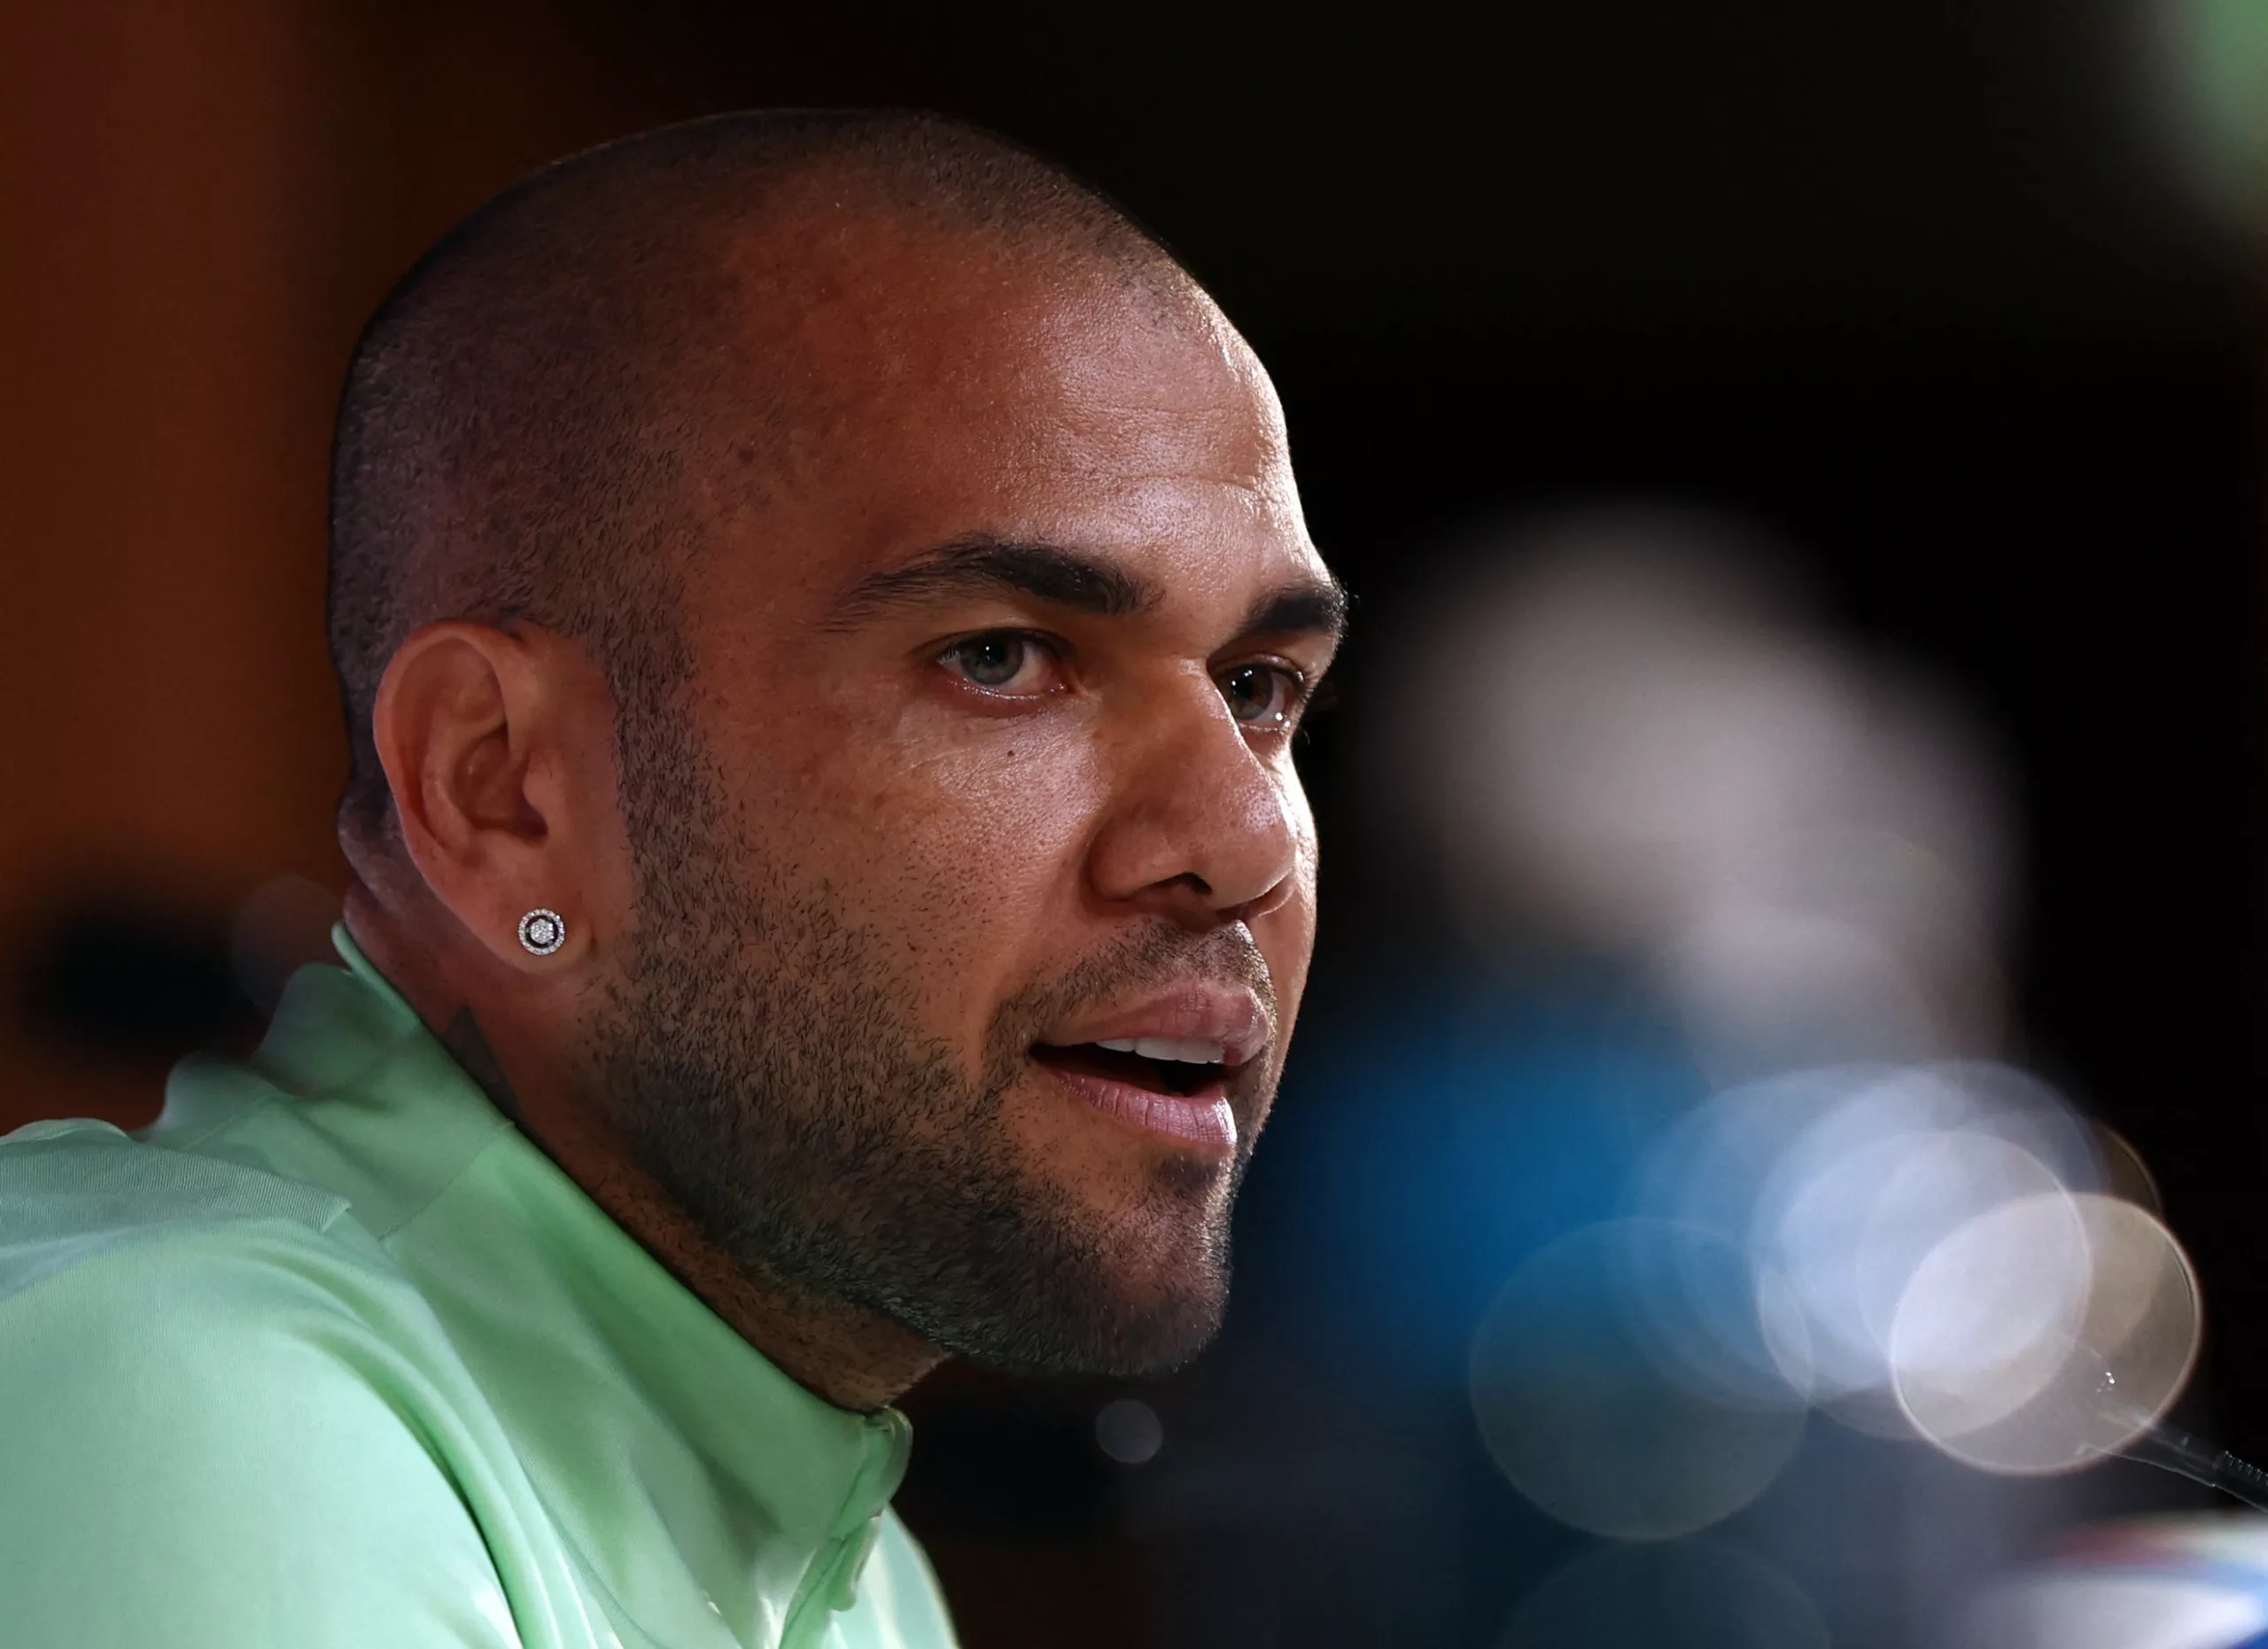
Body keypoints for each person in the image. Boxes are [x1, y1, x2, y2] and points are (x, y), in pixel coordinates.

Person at [0, 110, 1344, 1649]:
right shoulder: (214, 1419)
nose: (1242, 842)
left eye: (1259, 686)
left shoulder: (857, 1572)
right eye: (1000, 659)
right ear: (507, 796)